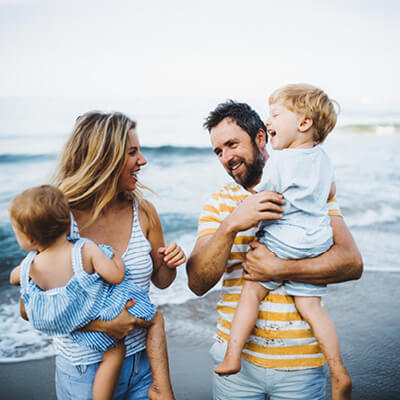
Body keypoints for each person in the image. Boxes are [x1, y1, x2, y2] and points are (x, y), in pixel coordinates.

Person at [187, 100, 363, 400]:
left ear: (260, 137)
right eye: (218, 151)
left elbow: (351, 263)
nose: (226, 157)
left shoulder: (309, 192)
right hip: (236, 370)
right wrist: (231, 225)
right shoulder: (218, 204)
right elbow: (198, 283)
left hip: (301, 366)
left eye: (232, 144)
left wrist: (279, 269)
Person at [16, 111, 185, 399]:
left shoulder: (143, 212)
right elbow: (29, 309)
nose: (142, 160)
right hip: (86, 370)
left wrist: (170, 263)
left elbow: (161, 281)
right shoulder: (59, 219)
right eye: (132, 152)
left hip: (144, 365)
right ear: (105, 159)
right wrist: (102, 325)